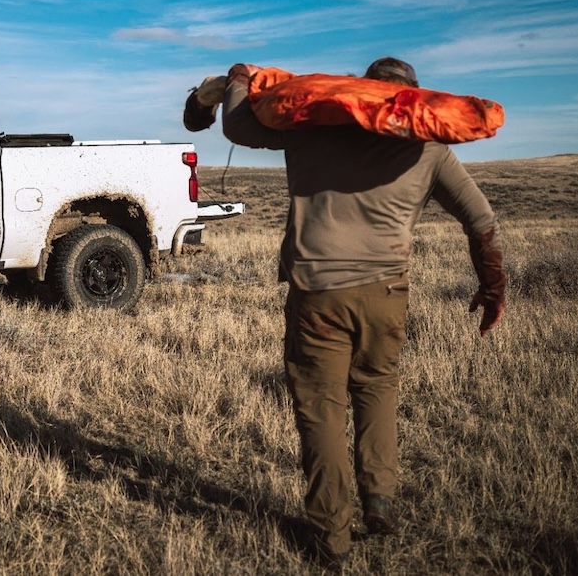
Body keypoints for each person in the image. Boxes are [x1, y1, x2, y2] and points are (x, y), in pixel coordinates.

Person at [201, 58, 506, 568]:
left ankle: (331, 537)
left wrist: (238, 76)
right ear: (413, 97)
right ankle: (379, 496)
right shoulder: (428, 147)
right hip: (386, 293)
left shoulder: (310, 125)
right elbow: (482, 221)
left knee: (321, 408)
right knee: (377, 387)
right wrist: (493, 288)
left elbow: (237, 126)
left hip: (316, 294)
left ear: (360, 89)